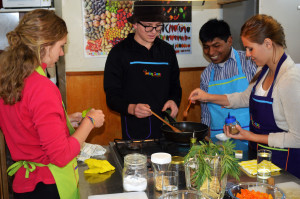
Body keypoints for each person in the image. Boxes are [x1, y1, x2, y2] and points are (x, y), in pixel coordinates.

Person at [0, 9, 105, 199]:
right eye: (61, 46)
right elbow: (61, 155)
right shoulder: (42, 87)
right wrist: (89, 121)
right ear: (45, 46)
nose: (62, 52)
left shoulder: (10, 78)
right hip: (47, 185)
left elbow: (28, 124)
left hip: (24, 184)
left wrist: (64, 120)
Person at [189, 14, 300, 178]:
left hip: (283, 165)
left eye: (250, 48)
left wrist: (250, 136)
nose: (247, 54)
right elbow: (242, 98)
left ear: (268, 43)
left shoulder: (289, 79)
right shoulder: (263, 71)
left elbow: (297, 138)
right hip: (260, 158)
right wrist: (206, 97)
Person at [104, 1, 182, 140]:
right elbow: (112, 96)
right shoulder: (119, 53)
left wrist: (173, 100)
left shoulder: (167, 51)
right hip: (135, 129)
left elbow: (175, 85)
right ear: (135, 24)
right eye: (148, 26)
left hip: (166, 128)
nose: (153, 32)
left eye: (158, 26)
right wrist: (132, 108)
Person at [197, 19, 257, 143]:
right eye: (206, 47)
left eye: (216, 46)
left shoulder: (249, 62)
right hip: (218, 139)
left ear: (229, 41)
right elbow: (206, 114)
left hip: (250, 136)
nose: (211, 52)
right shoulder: (206, 75)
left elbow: (257, 101)